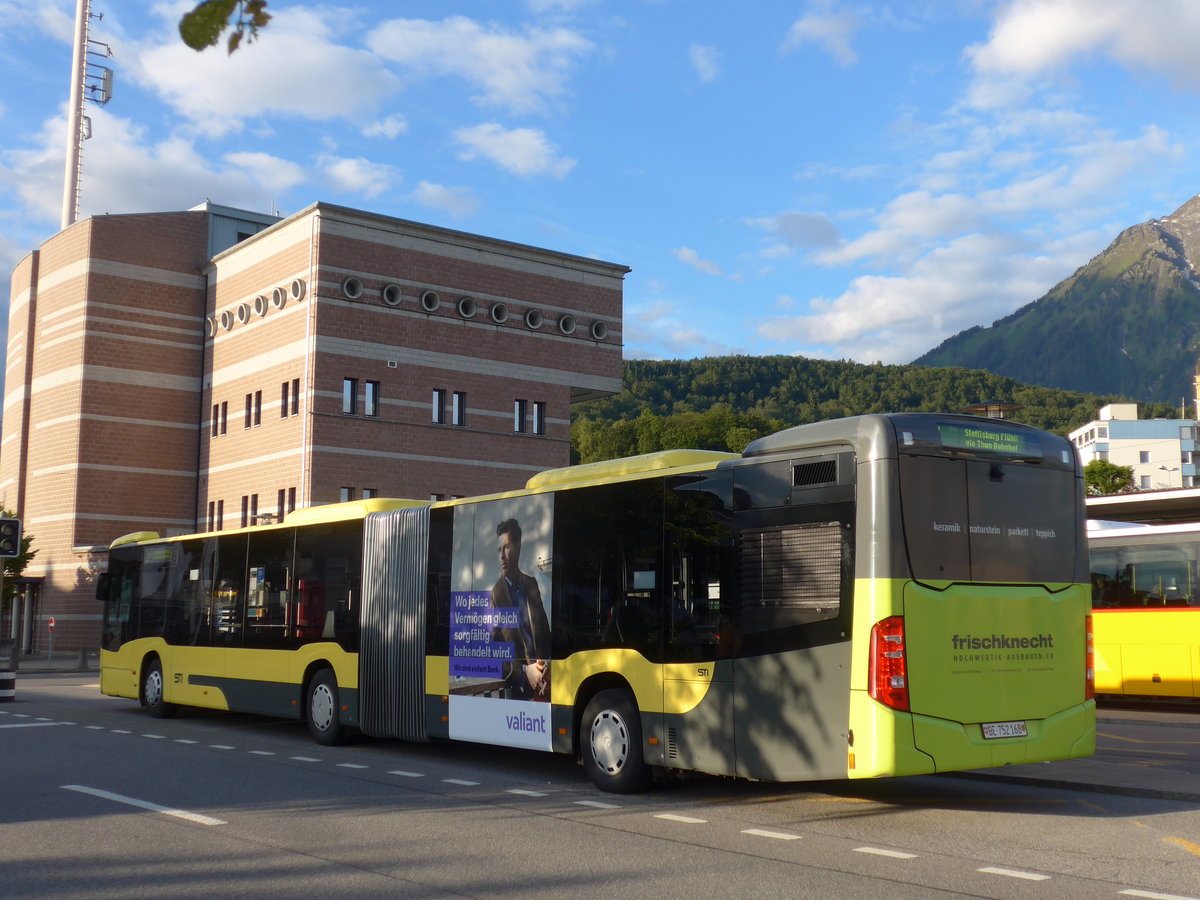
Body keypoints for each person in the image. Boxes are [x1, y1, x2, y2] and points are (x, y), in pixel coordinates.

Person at [491, 518, 551, 700]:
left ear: (518, 546)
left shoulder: (531, 584)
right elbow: (493, 655)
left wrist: (548, 664)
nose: (502, 556)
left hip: (545, 683)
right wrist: (526, 671)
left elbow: (545, 635)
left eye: (507, 547)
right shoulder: (495, 595)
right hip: (518, 692)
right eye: (499, 549)